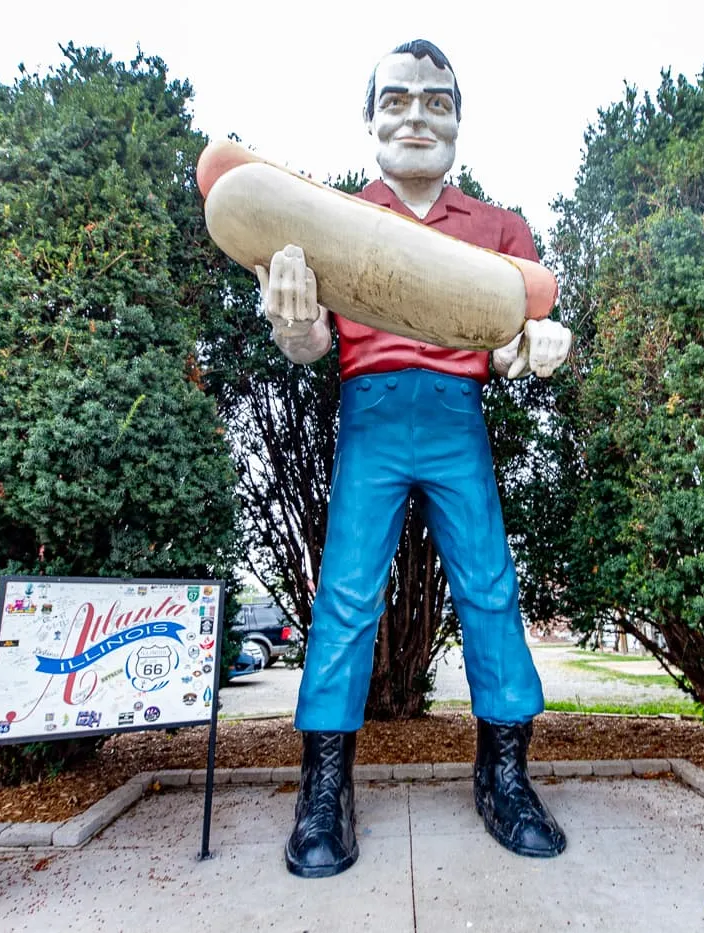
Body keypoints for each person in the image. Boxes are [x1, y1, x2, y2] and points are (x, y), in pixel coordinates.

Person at [256, 38, 574, 879]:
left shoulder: (500, 229)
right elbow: (314, 341)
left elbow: (511, 336)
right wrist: (292, 323)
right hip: (372, 412)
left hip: (454, 417)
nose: (415, 116)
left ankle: (503, 770)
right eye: (396, 99)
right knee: (348, 593)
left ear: (459, 121)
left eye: (436, 101)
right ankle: (324, 785)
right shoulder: (333, 217)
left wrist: (536, 344)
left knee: (489, 588)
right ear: (369, 120)